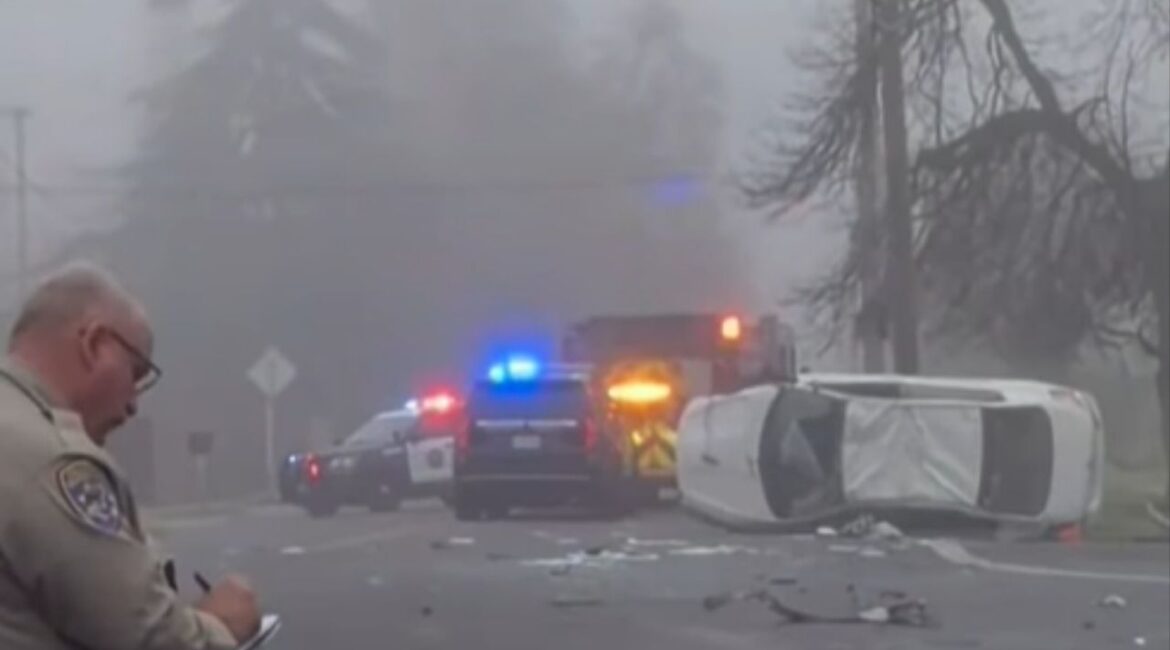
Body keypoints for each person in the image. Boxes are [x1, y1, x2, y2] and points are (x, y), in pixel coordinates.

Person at [0, 263, 261, 649]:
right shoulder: (51, 460)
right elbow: (150, 637)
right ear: (93, 344)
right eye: (135, 373)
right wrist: (221, 625)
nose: (133, 406)